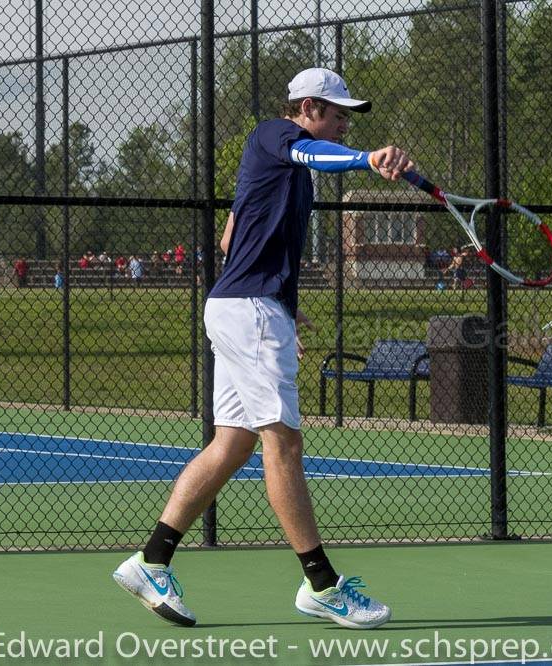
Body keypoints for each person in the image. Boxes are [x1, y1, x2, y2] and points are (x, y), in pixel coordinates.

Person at [112, 68, 411, 630]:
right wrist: (366, 158)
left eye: (349, 116)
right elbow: (314, 158)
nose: (346, 123)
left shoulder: (289, 174)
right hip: (248, 311)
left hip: (246, 307)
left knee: (233, 443)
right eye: (339, 112)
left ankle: (151, 560)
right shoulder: (277, 136)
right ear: (309, 108)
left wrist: (283, 309)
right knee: (284, 444)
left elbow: (232, 237)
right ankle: (322, 584)